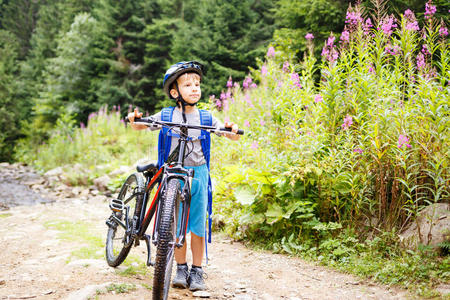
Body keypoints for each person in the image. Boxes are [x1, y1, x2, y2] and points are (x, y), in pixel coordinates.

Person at [127, 61, 240, 291]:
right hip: (173, 174)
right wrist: (134, 119)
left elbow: (227, 133)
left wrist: (233, 130)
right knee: (175, 222)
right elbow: (142, 125)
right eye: (188, 84)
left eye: (197, 84)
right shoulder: (166, 114)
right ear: (174, 91)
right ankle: (181, 267)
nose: (195, 88)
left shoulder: (206, 118)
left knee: (197, 225)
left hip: (198, 174)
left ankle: (197, 271)